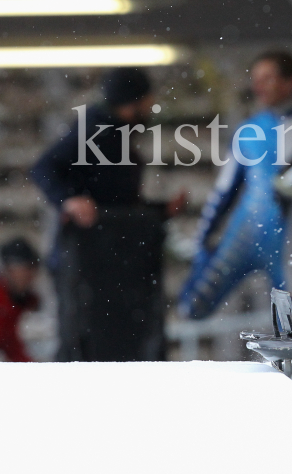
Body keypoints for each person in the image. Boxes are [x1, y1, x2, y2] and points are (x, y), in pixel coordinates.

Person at [30, 68, 185, 361]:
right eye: (147, 100)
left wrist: (160, 211)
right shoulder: (95, 130)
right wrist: (69, 200)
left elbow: (115, 202)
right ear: (133, 100)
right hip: (88, 265)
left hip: (112, 262)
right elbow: (45, 167)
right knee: (86, 340)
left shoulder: (116, 134)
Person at [178, 51, 292, 319]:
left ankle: (276, 362)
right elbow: (224, 190)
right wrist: (203, 238)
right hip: (246, 231)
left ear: (289, 82)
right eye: (256, 79)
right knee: (192, 305)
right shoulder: (247, 129)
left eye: (267, 79)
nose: (259, 86)